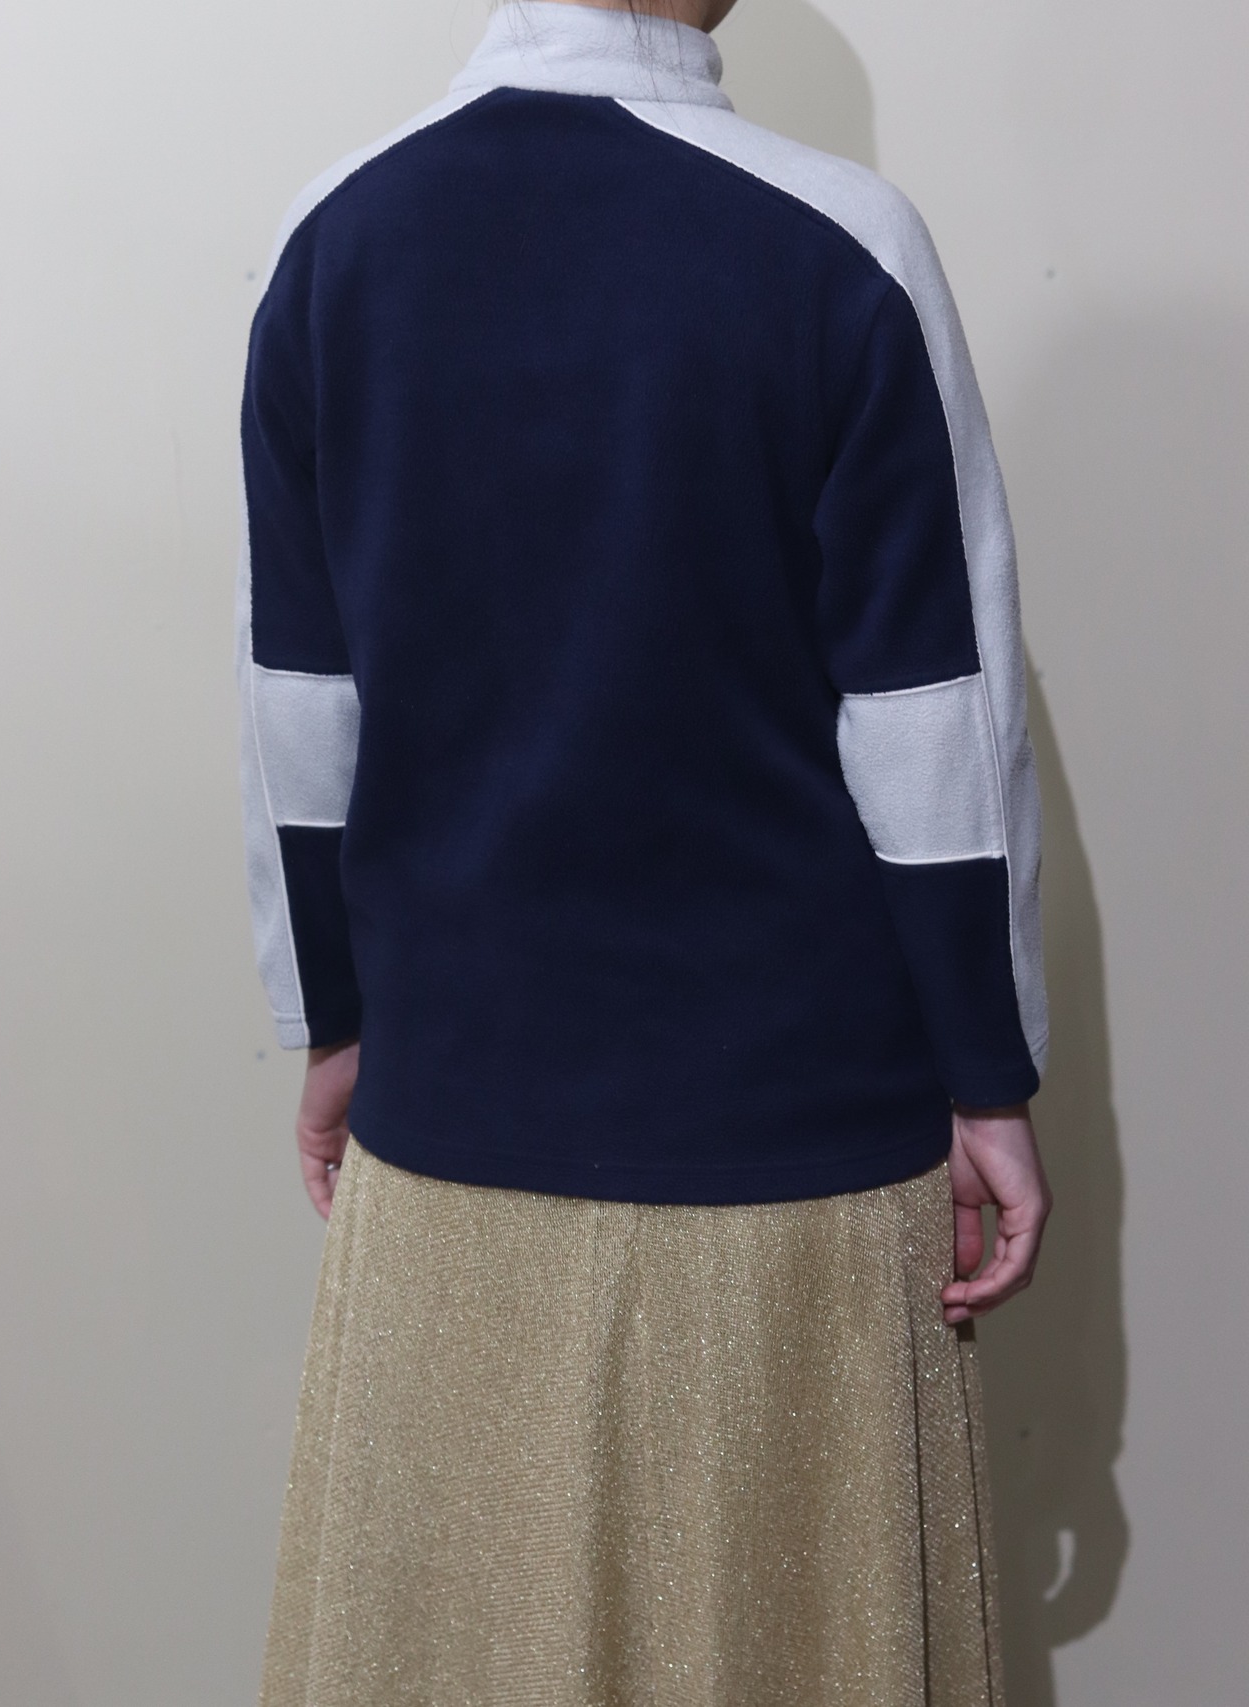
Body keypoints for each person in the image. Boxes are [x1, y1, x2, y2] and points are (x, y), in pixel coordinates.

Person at [234, 0, 1054, 1699]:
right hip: (792, 1170)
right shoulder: (842, 245)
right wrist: (988, 1076)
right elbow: (935, 731)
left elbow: (301, 715)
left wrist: (333, 1024)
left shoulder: (333, 243)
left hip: (451, 1137)